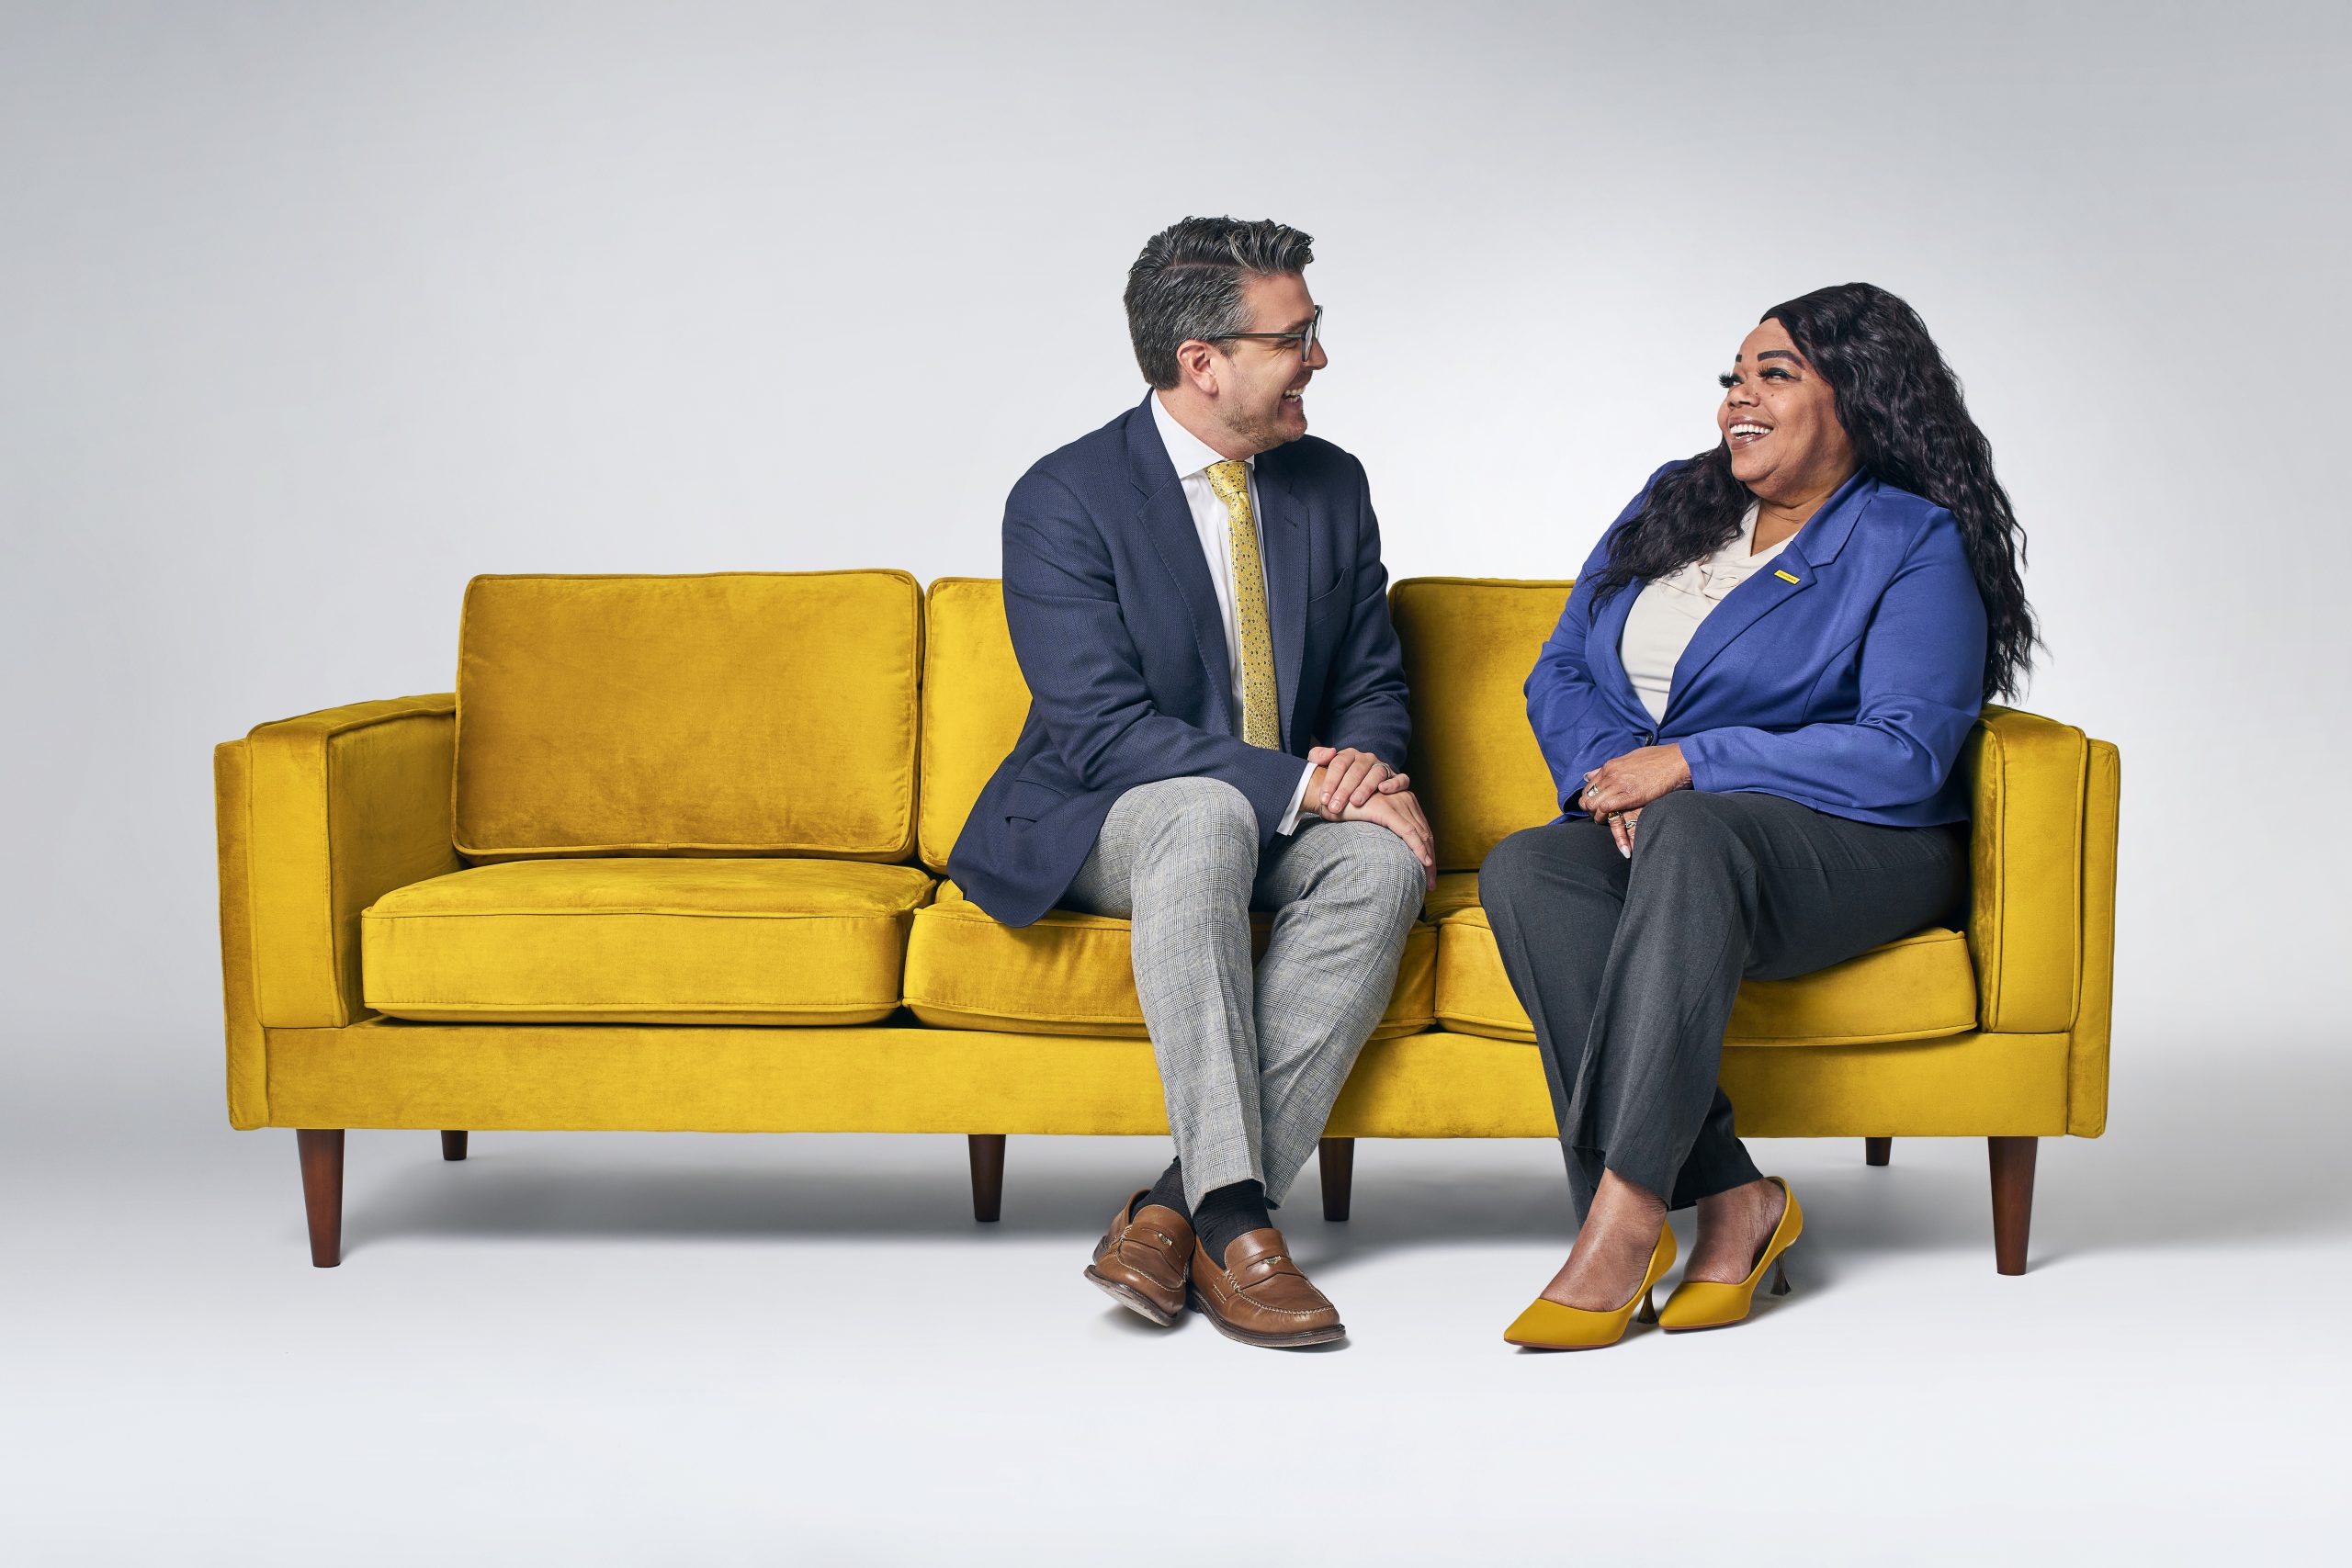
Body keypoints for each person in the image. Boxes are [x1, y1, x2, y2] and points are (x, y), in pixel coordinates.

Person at [1482, 282, 2038, 1349]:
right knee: (1527, 869)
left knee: (1694, 827)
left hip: (1857, 847)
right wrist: (1614, 778)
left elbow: (1907, 751)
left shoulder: (1908, 538)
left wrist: (1689, 762)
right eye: (1733, 377)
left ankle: (1625, 1212)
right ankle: (1737, 1198)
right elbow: (1561, 668)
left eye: (1772, 375)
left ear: (1857, 397)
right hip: (1677, 834)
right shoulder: (1671, 497)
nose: (1738, 398)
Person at [947, 217, 1434, 1348]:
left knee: (1379, 859)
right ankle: (1239, 1219)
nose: (1319, 356)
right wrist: (1306, 786)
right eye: (1295, 335)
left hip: (1279, 804)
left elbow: (1371, 680)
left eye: (1316, 330)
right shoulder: (1064, 497)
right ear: (1201, 362)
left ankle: (1179, 1211)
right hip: (1104, 816)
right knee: (1212, 812)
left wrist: (1360, 774)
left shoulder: (1330, 483)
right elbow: (1104, 732)